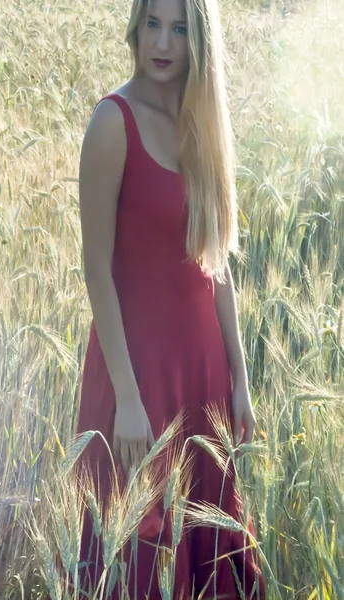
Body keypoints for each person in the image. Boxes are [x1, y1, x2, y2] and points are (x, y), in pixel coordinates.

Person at [76, 0, 266, 598]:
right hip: (137, 375)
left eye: (180, 28)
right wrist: (129, 401)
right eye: (154, 23)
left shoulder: (200, 121)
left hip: (201, 374)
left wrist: (240, 377)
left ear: (198, 40)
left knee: (210, 550)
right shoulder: (113, 121)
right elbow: (96, 269)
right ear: (136, 26)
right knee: (138, 553)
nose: (163, 42)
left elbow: (218, 264)